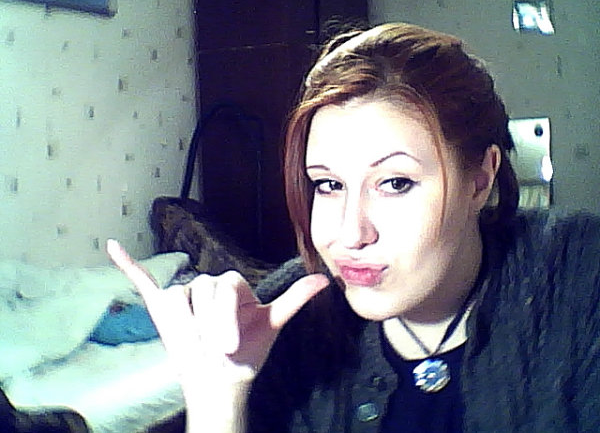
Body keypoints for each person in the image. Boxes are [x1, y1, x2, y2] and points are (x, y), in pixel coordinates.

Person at [107, 23, 600, 432]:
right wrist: (218, 397)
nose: (349, 234)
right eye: (328, 185)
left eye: (396, 183)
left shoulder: (578, 274)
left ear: (480, 180)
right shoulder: (291, 319)